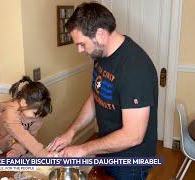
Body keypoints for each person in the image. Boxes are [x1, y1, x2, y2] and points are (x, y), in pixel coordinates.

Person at [46, 2, 158, 179]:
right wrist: (71, 132)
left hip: (130, 162)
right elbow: (96, 96)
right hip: (108, 151)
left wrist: (83, 148)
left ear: (100, 33)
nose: (79, 50)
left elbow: (133, 136)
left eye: (82, 44)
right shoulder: (101, 55)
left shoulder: (135, 69)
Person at [0, 76, 53, 157]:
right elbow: (22, 135)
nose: (37, 118)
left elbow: (30, 136)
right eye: (34, 113)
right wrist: (42, 153)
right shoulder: (10, 114)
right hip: (6, 146)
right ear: (23, 103)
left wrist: (18, 151)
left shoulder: (36, 116)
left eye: (39, 115)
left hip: (23, 146)